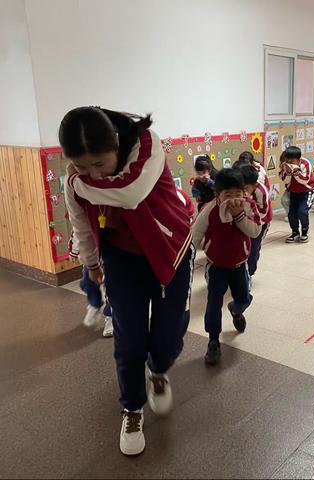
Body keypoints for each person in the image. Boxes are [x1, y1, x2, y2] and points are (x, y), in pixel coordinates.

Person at [61, 107, 194, 457]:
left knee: (166, 340)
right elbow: (81, 224)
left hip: (171, 252)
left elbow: (130, 192)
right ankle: (132, 408)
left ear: (117, 143)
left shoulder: (148, 145)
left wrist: (75, 182)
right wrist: (90, 263)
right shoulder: (77, 180)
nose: (91, 174)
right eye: (81, 167)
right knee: (129, 340)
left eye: (100, 164)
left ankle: (159, 371)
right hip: (121, 261)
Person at [192, 168, 261, 366]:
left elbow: (255, 231)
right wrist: (186, 257)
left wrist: (239, 215)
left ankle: (236, 310)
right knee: (214, 302)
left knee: (243, 298)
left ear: (244, 193)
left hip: (239, 265)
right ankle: (213, 340)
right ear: (217, 195)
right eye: (227, 195)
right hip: (216, 267)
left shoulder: (248, 206)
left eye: (237, 194)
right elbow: (195, 234)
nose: (233, 199)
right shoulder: (209, 209)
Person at [69, 231, 113, 337]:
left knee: (111, 288)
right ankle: (95, 303)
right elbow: (78, 232)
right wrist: (74, 252)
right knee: (87, 283)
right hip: (92, 257)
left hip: (111, 255)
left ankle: (111, 317)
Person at [233, 162, 272, 277]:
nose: (242, 191)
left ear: (254, 185)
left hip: (261, 223)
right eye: (240, 187)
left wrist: (249, 203)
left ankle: (249, 273)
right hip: (243, 220)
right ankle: (239, 271)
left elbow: (263, 213)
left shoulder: (261, 191)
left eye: (246, 188)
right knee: (241, 246)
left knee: (253, 247)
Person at [279, 146, 314, 243]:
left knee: (302, 211)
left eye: (292, 160)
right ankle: (295, 232)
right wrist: (288, 173)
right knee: (291, 214)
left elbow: (305, 180)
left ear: (298, 159)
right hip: (293, 192)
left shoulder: (305, 163)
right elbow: (284, 180)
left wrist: (295, 172)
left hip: (306, 191)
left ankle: (304, 231)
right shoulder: (285, 164)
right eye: (287, 160)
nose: (289, 162)